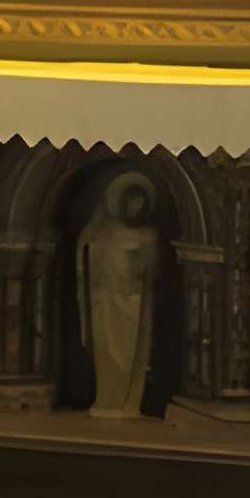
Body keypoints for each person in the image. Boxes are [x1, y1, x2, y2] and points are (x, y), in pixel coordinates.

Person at [76, 172, 161, 419]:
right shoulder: (104, 233)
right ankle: (107, 399)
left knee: (134, 358)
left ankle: (131, 403)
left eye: (139, 202)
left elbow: (153, 272)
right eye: (131, 201)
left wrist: (140, 264)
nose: (135, 207)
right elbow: (87, 261)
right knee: (107, 357)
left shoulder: (148, 235)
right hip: (107, 305)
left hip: (137, 306)